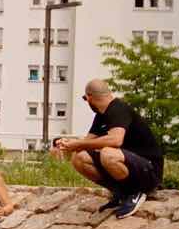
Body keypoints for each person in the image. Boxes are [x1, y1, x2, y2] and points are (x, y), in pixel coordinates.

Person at [55, 79, 163, 219]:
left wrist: (78, 144)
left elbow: (116, 140)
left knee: (108, 154)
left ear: (89, 97)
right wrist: (69, 144)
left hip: (149, 170)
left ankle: (136, 192)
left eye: (85, 99)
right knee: (79, 157)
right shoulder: (101, 115)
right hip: (129, 164)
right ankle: (120, 193)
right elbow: (87, 143)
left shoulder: (119, 109)